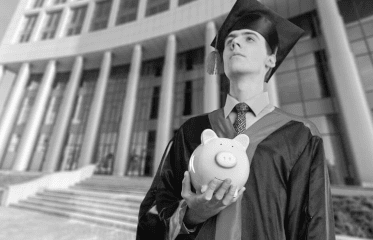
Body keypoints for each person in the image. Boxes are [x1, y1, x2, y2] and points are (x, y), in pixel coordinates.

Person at [137, 0, 336, 239]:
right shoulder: (192, 131)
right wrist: (191, 215)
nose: (235, 43)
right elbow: (156, 205)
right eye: (230, 40)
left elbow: (313, 223)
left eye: (249, 38)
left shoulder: (300, 134)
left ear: (271, 58)